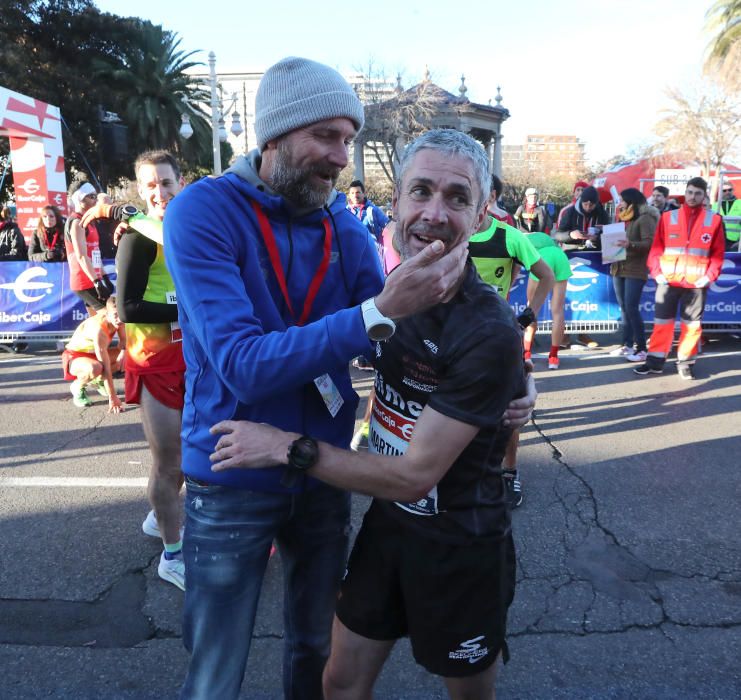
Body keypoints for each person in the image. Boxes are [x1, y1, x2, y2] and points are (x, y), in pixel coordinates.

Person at [162, 58, 535, 700]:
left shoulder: (338, 223)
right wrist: (377, 315)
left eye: (349, 140)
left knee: (314, 647)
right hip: (233, 468)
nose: (342, 157)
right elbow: (244, 363)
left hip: (323, 476)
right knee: (217, 666)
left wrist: (511, 372)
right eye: (327, 137)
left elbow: (404, 328)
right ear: (275, 133)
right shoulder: (203, 211)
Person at [82, 150, 187, 591]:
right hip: (153, 363)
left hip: (192, 362)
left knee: (189, 460)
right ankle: (173, 556)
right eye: (149, 186)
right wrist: (186, 309)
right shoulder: (136, 237)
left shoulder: (184, 227)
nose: (159, 192)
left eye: (165, 182)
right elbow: (126, 308)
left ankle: (156, 515)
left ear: (179, 183)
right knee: (169, 465)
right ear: (139, 191)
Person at [634, 177, 725, 380]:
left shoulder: (715, 220)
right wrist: (656, 272)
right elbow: (656, 248)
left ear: (704, 196)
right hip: (668, 280)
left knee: (692, 325)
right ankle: (655, 362)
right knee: (662, 323)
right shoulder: (667, 217)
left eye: (698, 193)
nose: (693, 197)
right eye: (690, 192)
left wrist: (709, 277)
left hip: (696, 282)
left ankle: (685, 363)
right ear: (685, 192)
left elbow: (718, 254)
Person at [609, 189, 659, 363]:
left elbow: (649, 242)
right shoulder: (624, 218)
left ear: (632, 202)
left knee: (631, 307)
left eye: (622, 201)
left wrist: (630, 244)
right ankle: (627, 344)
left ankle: (642, 348)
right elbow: (617, 241)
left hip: (635, 269)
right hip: (618, 267)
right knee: (624, 308)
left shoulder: (645, 218)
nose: (620, 204)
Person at [61, 295, 125, 411]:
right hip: (75, 356)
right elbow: (105, 365)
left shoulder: (119, 319)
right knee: (96, 368)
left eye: (121, 314)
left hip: (94, 355)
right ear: (107, 314)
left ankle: (98, 381)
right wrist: (113, 397)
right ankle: (77, 386)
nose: (119, 319)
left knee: (129, 356)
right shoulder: (99, 330)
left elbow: (124, 342)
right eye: (116, 315)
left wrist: (123, 353)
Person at [64, 181, 113, 316]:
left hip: (92, 279)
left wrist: (104, 276)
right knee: (111, 319)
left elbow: (95, 252)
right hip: (85, 281)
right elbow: (81, 256)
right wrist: (97, 282)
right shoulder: (76, 222)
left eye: (95, 196)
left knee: (97, 324)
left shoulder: (89, 220)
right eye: (91, 197)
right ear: (79, 199)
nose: (95, 200)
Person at [346, 179, 388, 245]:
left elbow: (387, 224)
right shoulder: (345, 212)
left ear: (364, 193)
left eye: (358, 192)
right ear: (349, 195)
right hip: (351, 248)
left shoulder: (373, 210)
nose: (355, 196)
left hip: (371, 248)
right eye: (352, 193)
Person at [712, 181, 740, 251]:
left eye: (729, 190)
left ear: (733, 190)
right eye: (724, 190)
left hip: (736, 242)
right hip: (719, 240)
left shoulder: (740, 203)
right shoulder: (715, 205)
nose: (727, 192)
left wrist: (740, 241)